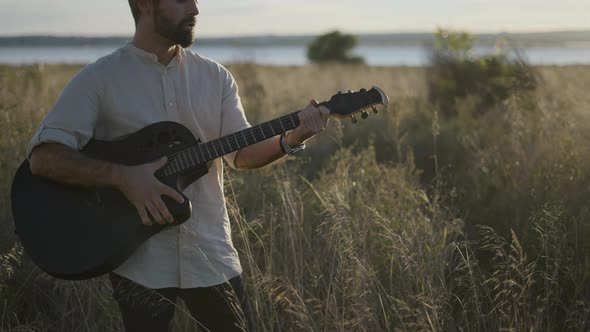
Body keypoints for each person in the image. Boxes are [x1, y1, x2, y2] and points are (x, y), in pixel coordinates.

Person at [26, 0, 329, 331]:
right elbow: (44, 157)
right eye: (182, 0)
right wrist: (123, 178)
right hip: (136, 260)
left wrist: (292, 138)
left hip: (211, 254)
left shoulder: (215, 77)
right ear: (144, 4)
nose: (196, 9)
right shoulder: (100, 79)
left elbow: (241, 155)